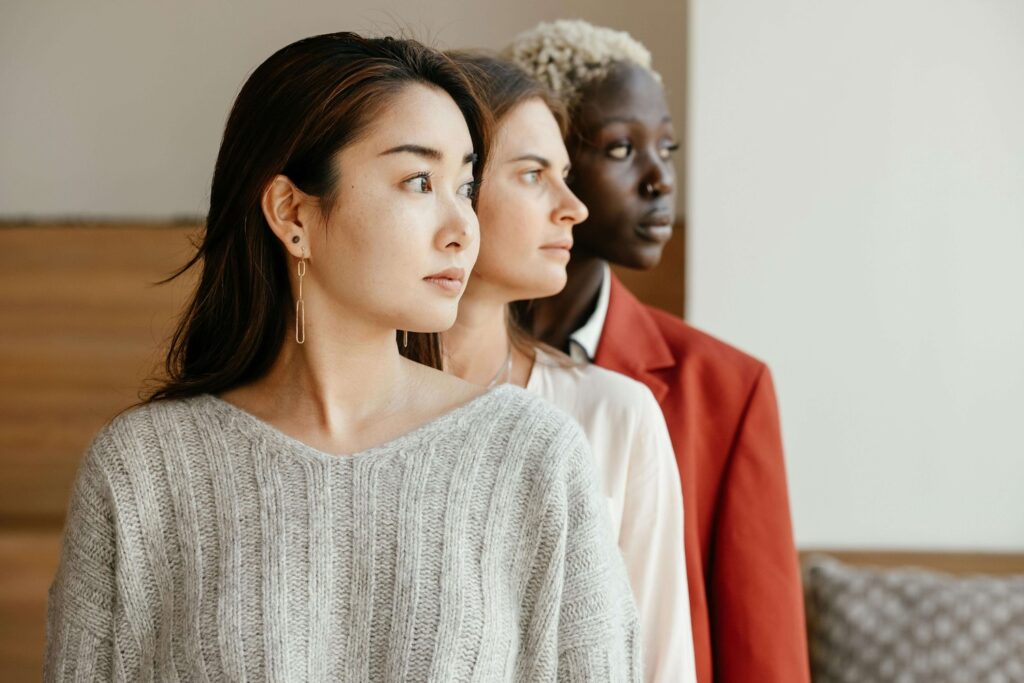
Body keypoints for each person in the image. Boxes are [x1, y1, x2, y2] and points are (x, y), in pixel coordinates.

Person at [44, 32, 641, 682]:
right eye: (418, 180)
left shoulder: (534, 457)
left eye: (464, 184)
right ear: (291, 210)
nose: (462, 226)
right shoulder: (142, 474)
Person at [508, 20, 810, 683]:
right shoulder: (421, 366)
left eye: (666, 148)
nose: (660, 180)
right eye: (620, 149)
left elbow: (765, 656)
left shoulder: (726, 388)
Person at [443, 52, 696, 683]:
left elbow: (661, 666)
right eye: (533, 174)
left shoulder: (618, 414)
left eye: (565, 172)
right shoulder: (343, 411)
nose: (573, 207)